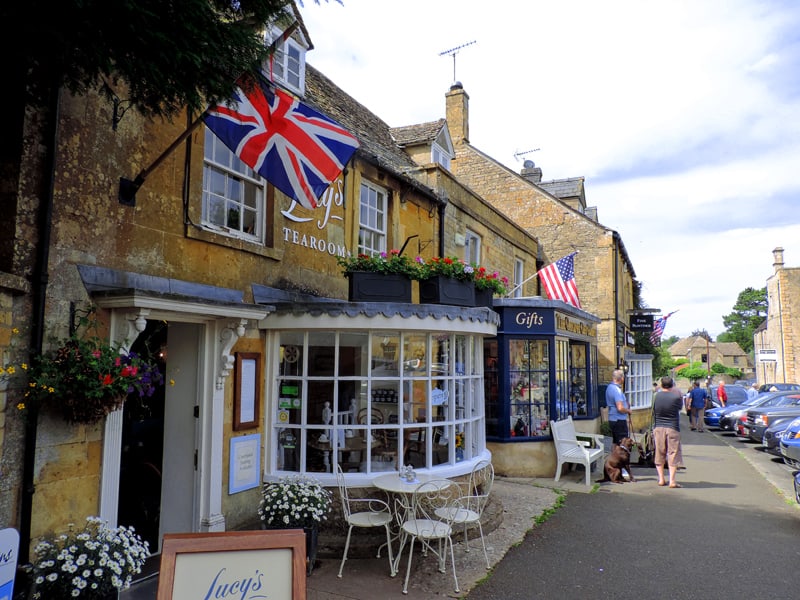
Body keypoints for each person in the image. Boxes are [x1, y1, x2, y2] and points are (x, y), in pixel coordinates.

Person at [653, 376, 685, 488]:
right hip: (673, 427)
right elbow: (679, 408)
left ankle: (661, 479)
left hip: (658, 427)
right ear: (672, 386)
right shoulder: (676, 398)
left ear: (661, 385)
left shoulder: (655, 397)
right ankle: (672, 481)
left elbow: (653, 410)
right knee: (673, 453)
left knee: (659, 452)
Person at [605, 369, 631, 444]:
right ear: (621, 378)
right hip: (619, 420)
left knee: (615, 443)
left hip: (613, 419)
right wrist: (628, 410)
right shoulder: (616, 390)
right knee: (623, 445)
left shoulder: (609, 387)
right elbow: (620, 408)